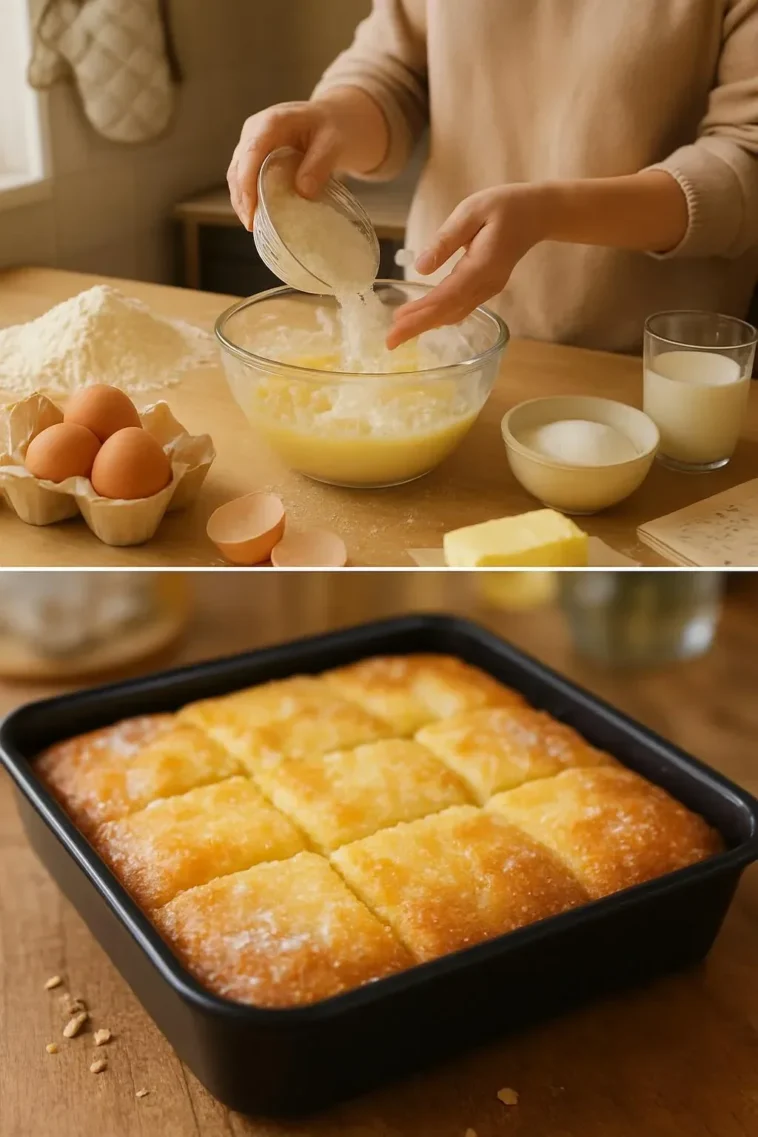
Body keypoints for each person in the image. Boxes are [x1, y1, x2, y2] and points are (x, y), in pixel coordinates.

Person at [227, 1, 758, 355]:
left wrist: (551, 214)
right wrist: (331, 120)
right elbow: (394, 72)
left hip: (655, 362)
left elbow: (746, 159)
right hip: (444, 335)